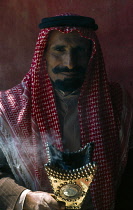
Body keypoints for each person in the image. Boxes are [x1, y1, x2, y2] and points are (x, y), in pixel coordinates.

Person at [0, 13, 132, 210]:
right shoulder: (10, 107)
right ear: (44, 53)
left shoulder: (117, 102)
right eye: (59, 50)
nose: (70, 63)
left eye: (79, 51)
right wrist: (25, 198)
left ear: (91, 55)